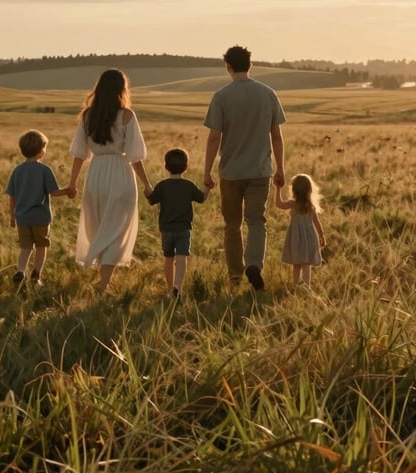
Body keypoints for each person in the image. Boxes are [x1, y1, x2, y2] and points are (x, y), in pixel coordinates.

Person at [203, 44, 286, 290]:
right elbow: (277, 135)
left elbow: (214, 137)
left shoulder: (221, 96)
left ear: (228, 67)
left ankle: (236, 275)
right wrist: (280, 167)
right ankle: (254, 265)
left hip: (231, 171)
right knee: (257, 221)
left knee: (232, 225)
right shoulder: (268, 93)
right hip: (260, 170)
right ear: (250, 65)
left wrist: (207, 171)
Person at [64, 69, 153, 292]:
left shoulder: (87, 116)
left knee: (100, 224)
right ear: (121, 89)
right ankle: (104, 282)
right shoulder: (127, 116)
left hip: (96, 175)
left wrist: (72, 183)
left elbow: (79, 154)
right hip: (120, 173)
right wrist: (146, 184)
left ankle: (103, 276)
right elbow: (135, 156)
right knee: (117, 227)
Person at [6, 129, 74, 287]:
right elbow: (54, 192)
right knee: (41, 246)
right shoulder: (44, 170)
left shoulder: (17, 171)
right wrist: (68, 190)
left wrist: (12, 216)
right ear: (41, 151)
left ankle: (21, 271)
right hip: (40, 217)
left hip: (22, 218)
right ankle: (36, 277)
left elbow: (12, 197)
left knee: (25, 247)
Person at [145, 147, 208, 297]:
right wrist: (208, 187)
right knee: (181, 258)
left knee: (168, 258)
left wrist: (147, 193)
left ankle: (169, 288)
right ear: (186, 167)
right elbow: (201, 198)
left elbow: (151, 201)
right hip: (184, 229)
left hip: (166, 229)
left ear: (166, 167)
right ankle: (178, 287)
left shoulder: (162, 186)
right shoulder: (189, 185)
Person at [275, 173, 326, 286]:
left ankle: (296, 284)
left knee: (297, 263)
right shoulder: (310, 206)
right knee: (306, 263)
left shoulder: (294, 204)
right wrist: (322, 236)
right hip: (309, 238)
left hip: (296, 238)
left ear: (294, 190)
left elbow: (279, 204)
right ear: (309, 190)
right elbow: (317, 224)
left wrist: (277, 188)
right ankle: (306, 286)